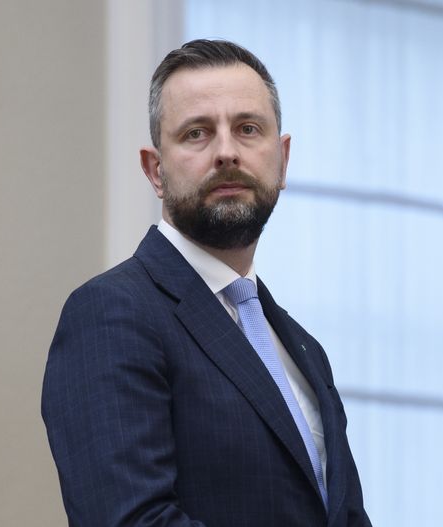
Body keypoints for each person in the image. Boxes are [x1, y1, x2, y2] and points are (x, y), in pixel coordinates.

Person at [41, 39, 371, 526]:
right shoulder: (112, 313)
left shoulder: (304, 350)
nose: (226, 152)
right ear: (155, 171)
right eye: (197, 133)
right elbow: (132, 520)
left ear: (282, 160)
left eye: (248, 129)